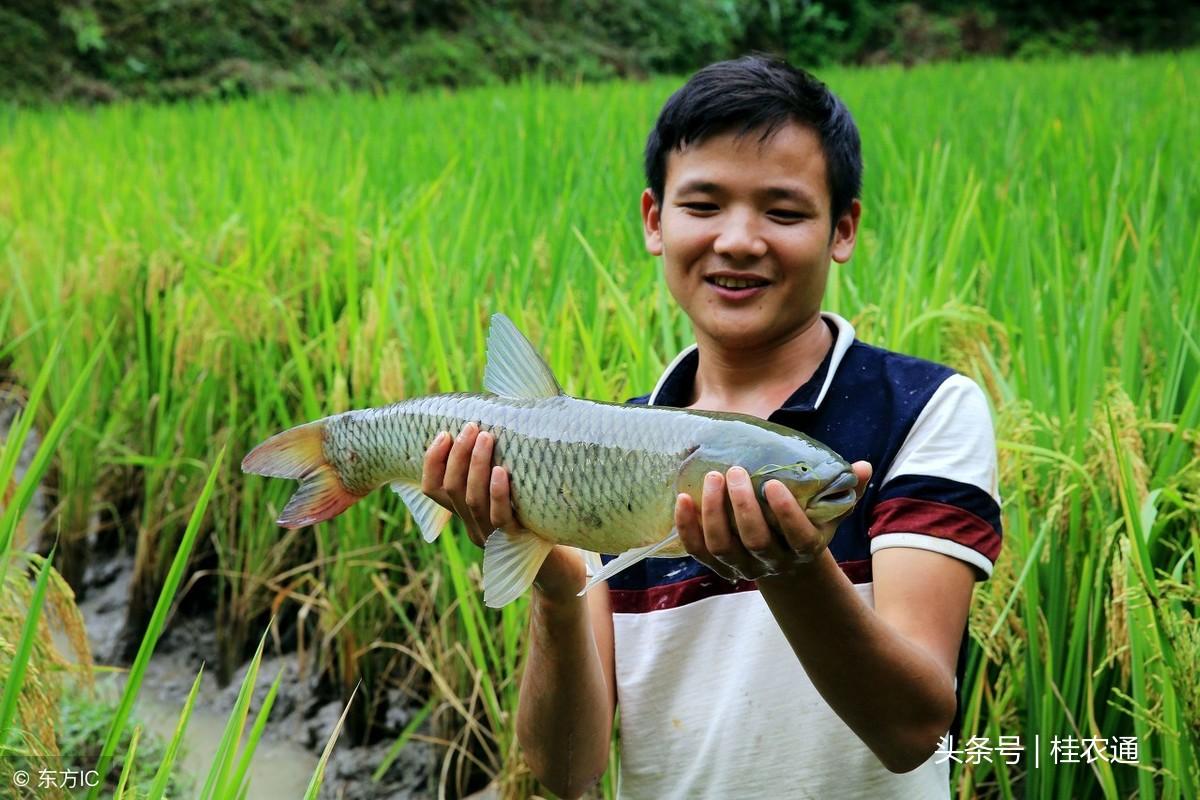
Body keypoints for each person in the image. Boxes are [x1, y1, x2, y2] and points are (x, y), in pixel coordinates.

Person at [420, 55, 1002, 799]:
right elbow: (569, 771)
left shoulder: (923, 409)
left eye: (783, 212)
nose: (738, 240)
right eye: (703, 205)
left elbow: (912, 731)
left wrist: (788, 567)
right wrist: (554, 578)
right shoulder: (601, 447)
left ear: (843, 228)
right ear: (654, 221)